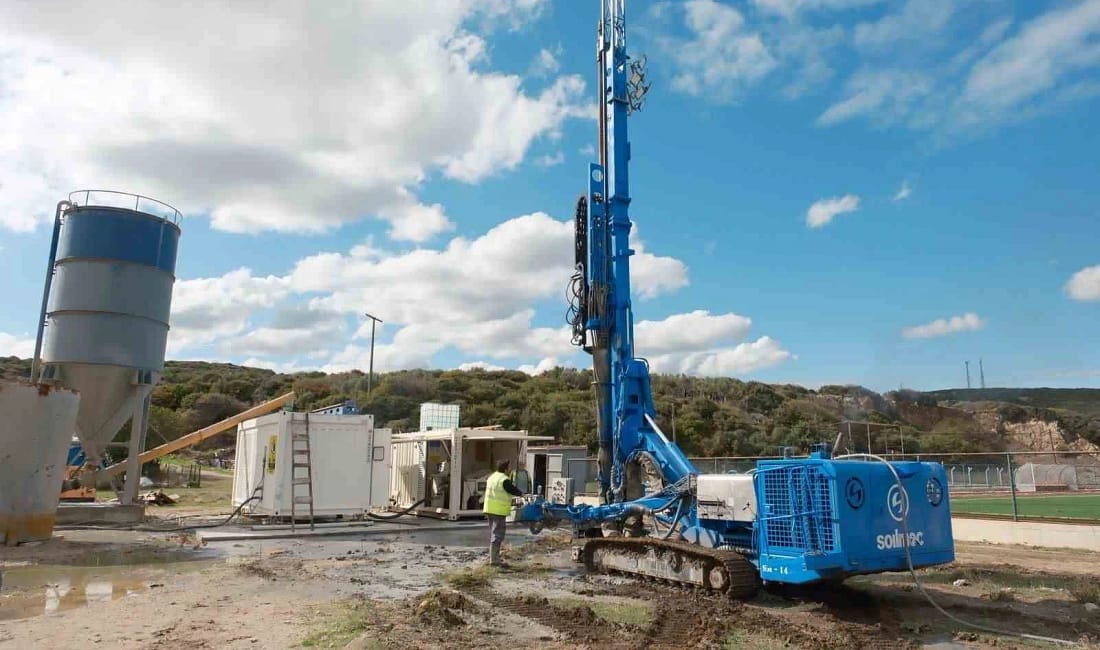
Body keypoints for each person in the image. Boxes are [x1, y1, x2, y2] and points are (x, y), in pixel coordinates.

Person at [483, 459, 524, 567]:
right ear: (505, 469)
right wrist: (523, 494)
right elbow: (512, 490)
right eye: (509, 467)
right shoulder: (504, 479)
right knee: (498, 534)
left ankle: (494, 558)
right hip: (498, 510)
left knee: (494, 533)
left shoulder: (492, 477)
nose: (510, 469)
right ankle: (494, 560)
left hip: (489, 509)